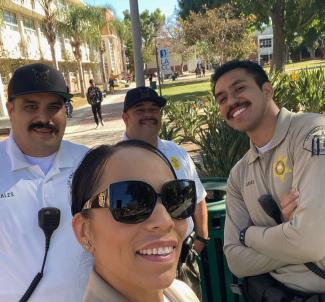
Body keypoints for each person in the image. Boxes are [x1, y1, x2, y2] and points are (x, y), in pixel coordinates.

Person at [212, 60, 325, 300]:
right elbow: (235, 260)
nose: (231, 102)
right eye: (222, 99)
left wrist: (250, 235)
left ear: (267, 90)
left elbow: (312, 241)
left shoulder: (311, 133)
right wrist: (290, 235)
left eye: (239, 88)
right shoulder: (238, 175)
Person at [0, 63, 90, 301]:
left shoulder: (91, 163)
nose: (44, 118)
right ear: (11, 109)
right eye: (31, 106)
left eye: (54, 107)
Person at [71, 140, 200, 302]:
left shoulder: (181, 293)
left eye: (175, 198)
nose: (165, 220)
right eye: (132, 203)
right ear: (84, 231)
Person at [121, 86, 208, 298]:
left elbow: (198, 197)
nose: (149, 114)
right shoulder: (114, 161)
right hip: (141, 260)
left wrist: (201, 239)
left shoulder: (177, 152)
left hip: (183, 257)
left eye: (154, 109)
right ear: (125, 117)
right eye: (140, 110)